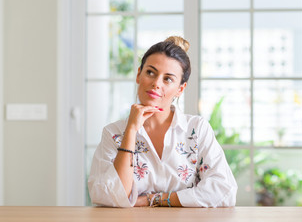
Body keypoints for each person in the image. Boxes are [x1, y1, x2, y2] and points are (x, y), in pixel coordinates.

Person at [88, 36, 238, 207]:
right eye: (150, 72)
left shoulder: (196, 130)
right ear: (139, 74)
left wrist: (154, 199)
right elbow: (109, 197)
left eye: (168, 79)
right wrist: (130, 131)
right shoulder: (113, 133)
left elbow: (224, 190)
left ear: (180, 89)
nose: (156, 83)